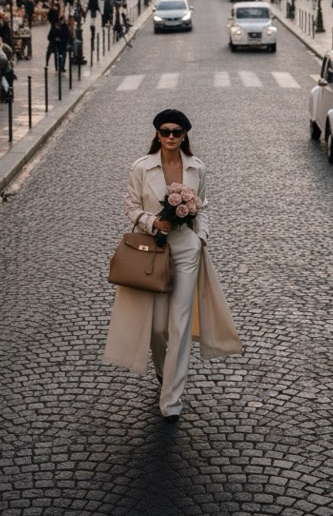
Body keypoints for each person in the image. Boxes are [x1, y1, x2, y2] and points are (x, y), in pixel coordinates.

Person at [103, 109, 242, 423]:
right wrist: (153, 222)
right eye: (164, 131)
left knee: (179, 325)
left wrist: (201, 237)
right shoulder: (141, 167)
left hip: (186, 249)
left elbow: (202, 206)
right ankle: (163, 373)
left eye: (176, 132)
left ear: (184, 136)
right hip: (152, 249)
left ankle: (172, 401)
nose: (169, 137)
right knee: (157, 328)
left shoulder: (197, 168)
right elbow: (131, 207)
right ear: (156, 134)